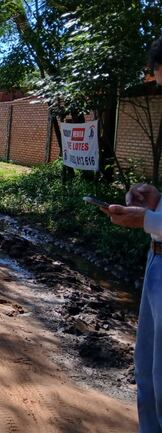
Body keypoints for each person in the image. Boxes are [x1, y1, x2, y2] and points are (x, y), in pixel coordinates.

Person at [104, 35, 162, 433]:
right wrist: (156, 203)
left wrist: (146, 219)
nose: (159, 88)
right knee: (150, 377)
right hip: (157, 260)